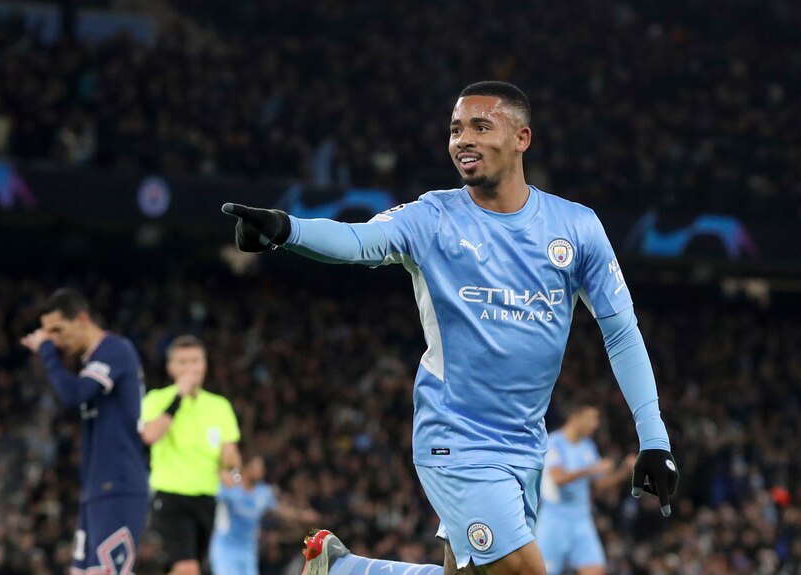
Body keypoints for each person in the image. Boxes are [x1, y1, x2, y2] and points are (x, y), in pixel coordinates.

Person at [221, 81, 679, 575]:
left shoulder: (577, 227)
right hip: (456, 436)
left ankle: (344, 570)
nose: (464, 139)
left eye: (482, 127)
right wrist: (287, 229)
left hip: (524, 443)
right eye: (457, 129)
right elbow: (360, 239)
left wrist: (654, 439)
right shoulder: (433, 217)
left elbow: (621, 331)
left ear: (522, 138)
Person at [20, 288, 149, 575]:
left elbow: (74, 394)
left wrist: (46, 353)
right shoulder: (91, 362)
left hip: (119, 486)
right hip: (97, 489)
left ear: (81, 319)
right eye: (47, 333)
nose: (54, 340)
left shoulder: (115, 350)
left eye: (58, 330)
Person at [140, 335, 242, 575]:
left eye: (195, 361)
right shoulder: (156, 399)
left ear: (204, 365)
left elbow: (230, 453)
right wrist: (178, 397)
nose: (190, 368)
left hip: (206, 498)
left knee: (186, 567)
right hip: (170, 495)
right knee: (188, 568)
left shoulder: (219, 406)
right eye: (183, 362)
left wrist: (231, 471)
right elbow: (150, 435)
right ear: (170, 367)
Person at [535, 404, 636, 575]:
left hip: (582, 519)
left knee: (595, 570)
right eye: (592, 418)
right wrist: (590, 469)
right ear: (576, 416)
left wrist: (624, 472)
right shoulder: (554, 442)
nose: (595, 424)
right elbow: (558, 478)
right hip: (554, 519)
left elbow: (598, 484)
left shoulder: (588, 446)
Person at [209, 454, 322, 575]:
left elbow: (280, 510)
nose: (262, 469)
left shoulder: (263, 493)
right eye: (259, 466)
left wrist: (302, 516)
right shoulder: (229, 489)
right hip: (225, 549)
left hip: (248, 553)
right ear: (247, 467)